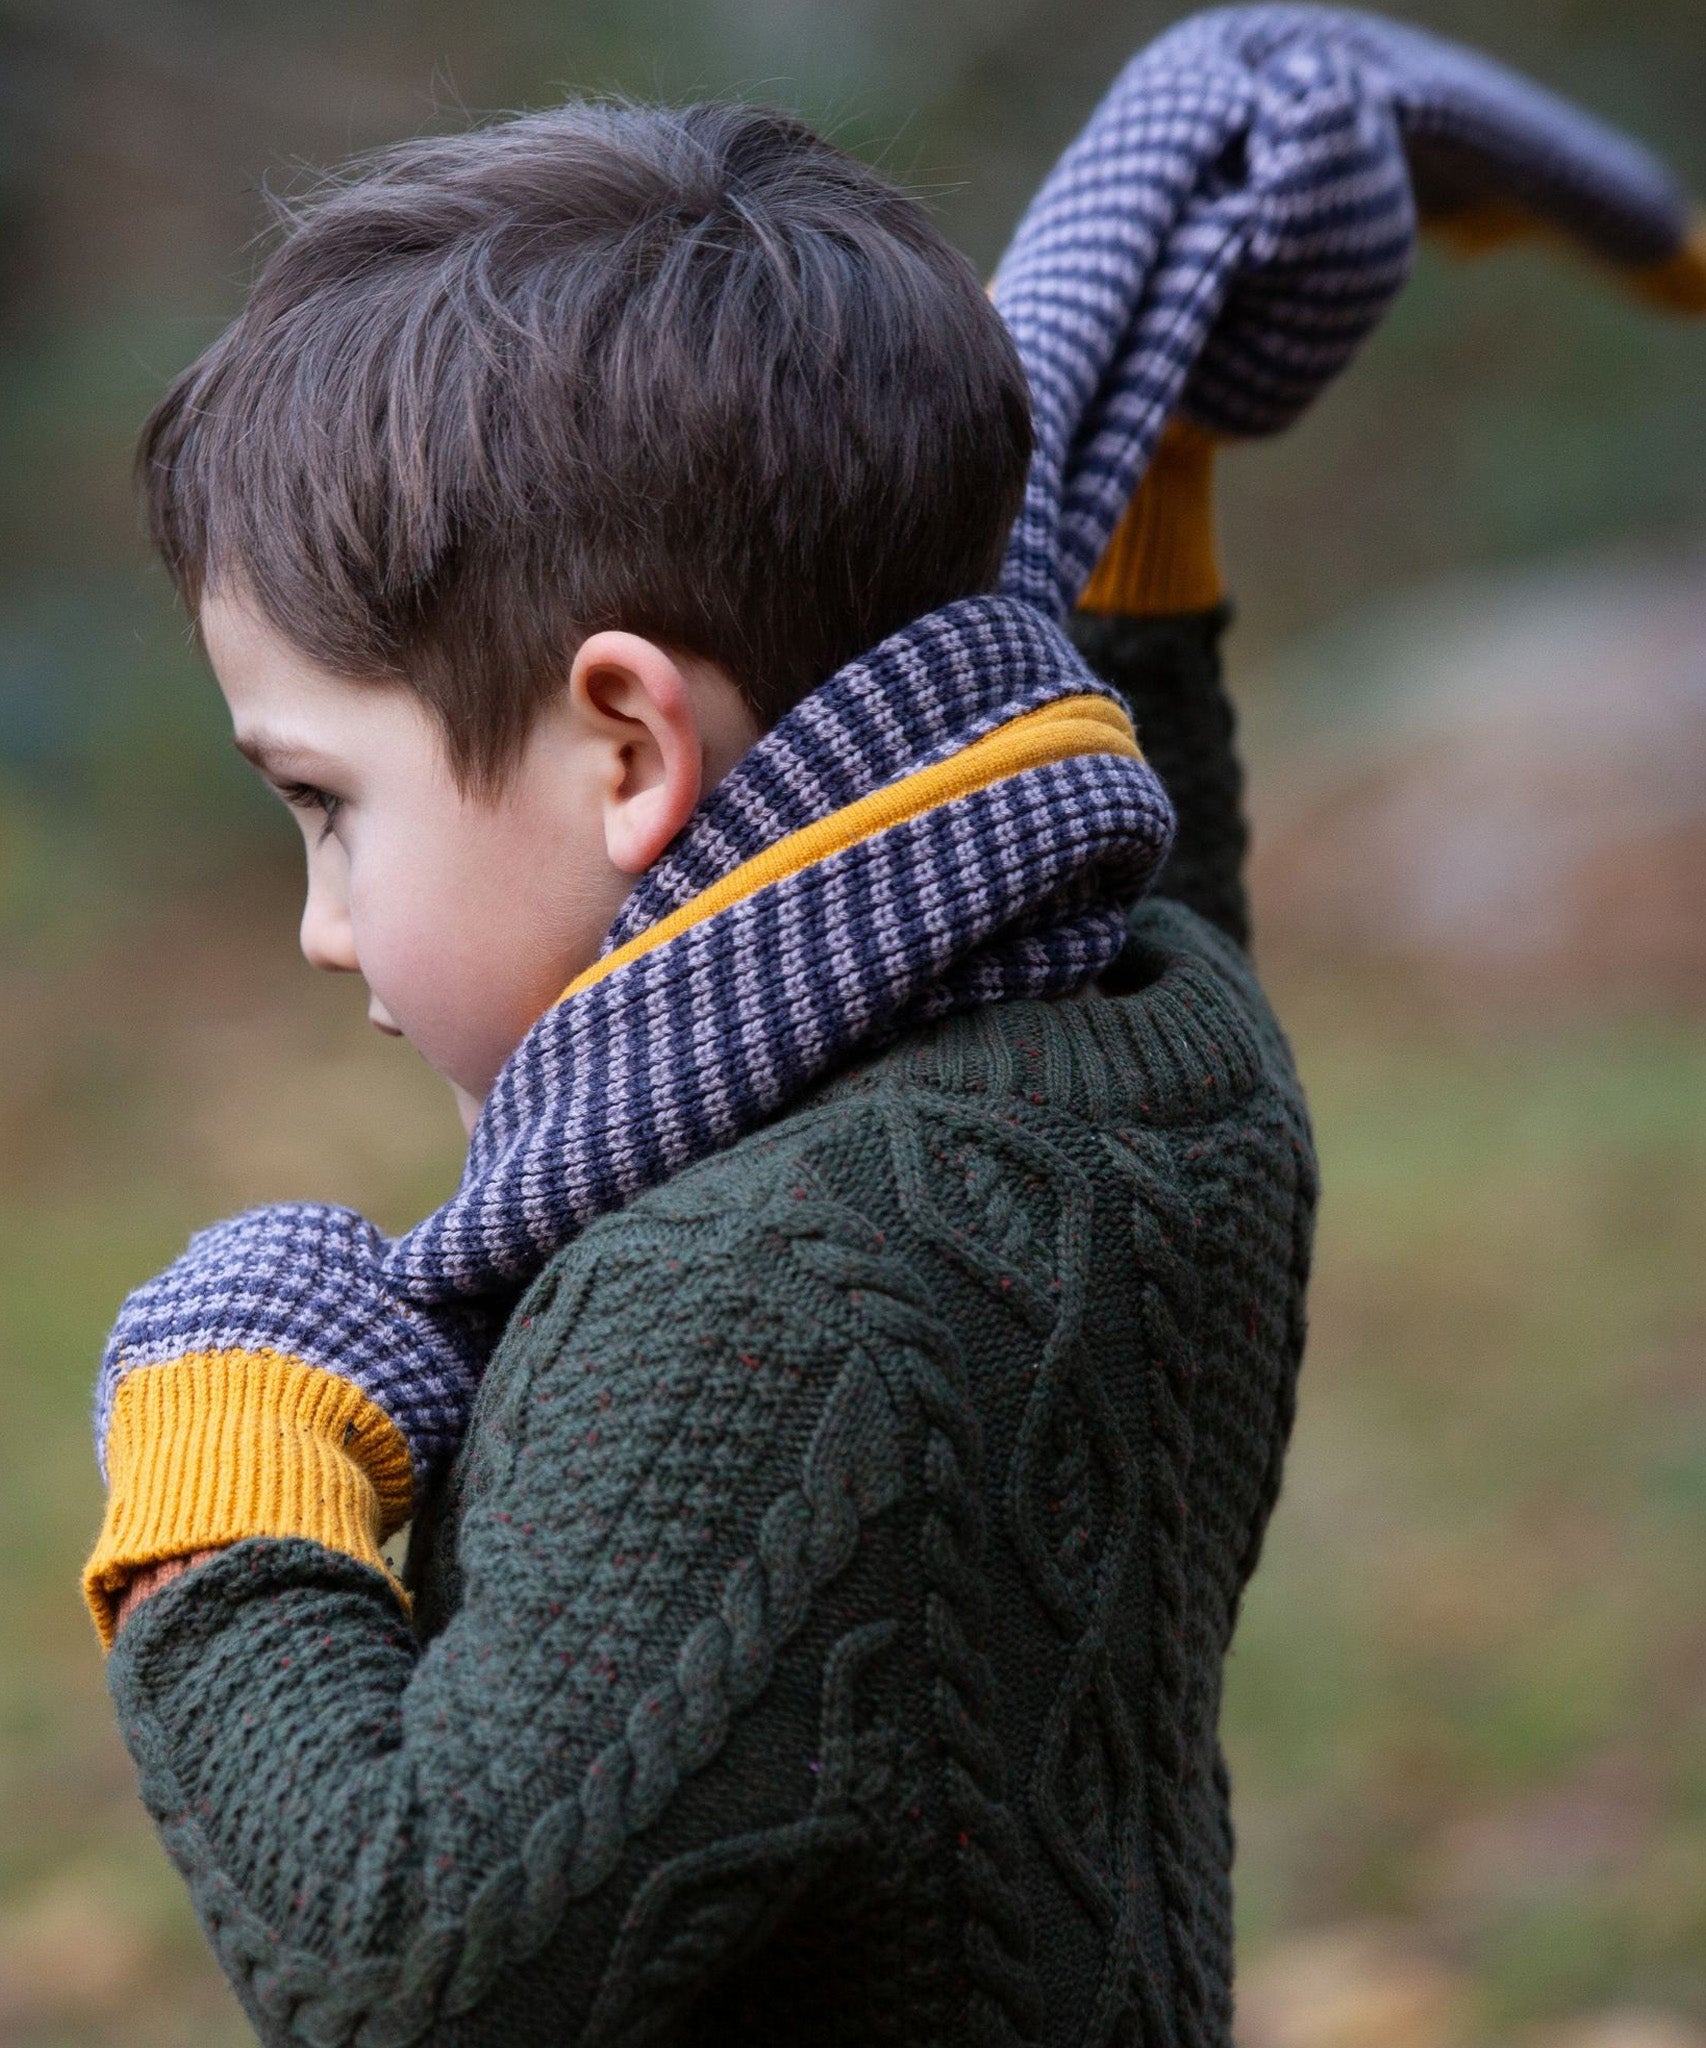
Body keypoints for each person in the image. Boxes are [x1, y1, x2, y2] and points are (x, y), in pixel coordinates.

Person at [82, 11, 1702, 2043]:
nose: (322, 927)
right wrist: (1138, 485)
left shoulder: (757, 1296)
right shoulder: (1153, 1062)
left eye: (327, 801)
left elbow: (410, 1948)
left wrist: (229, 1462)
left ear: (620, 740)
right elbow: (1108, 842)